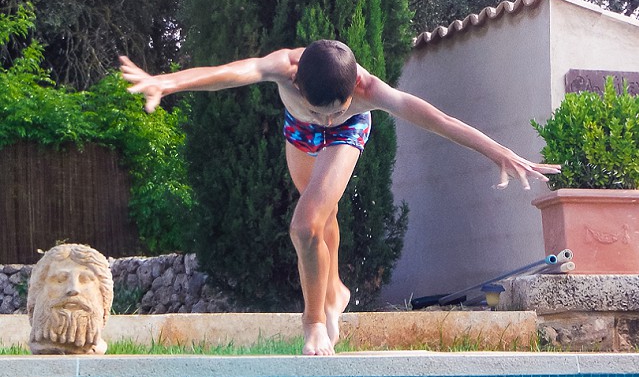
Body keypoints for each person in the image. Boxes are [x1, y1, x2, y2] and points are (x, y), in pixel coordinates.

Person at [120, 41, 558, 356]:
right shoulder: (283, 66)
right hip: (299, 134)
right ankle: (336, 291)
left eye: (336, 107)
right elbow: (226, 74)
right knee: (320, 220)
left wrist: (500, 152)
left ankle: (313, 322)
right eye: (319, 107)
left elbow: (439, 120)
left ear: (355, 92)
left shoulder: (370, 90)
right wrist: (166, 82)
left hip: (348, 138)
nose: (327, 115)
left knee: (304, 224)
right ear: (297, 82)